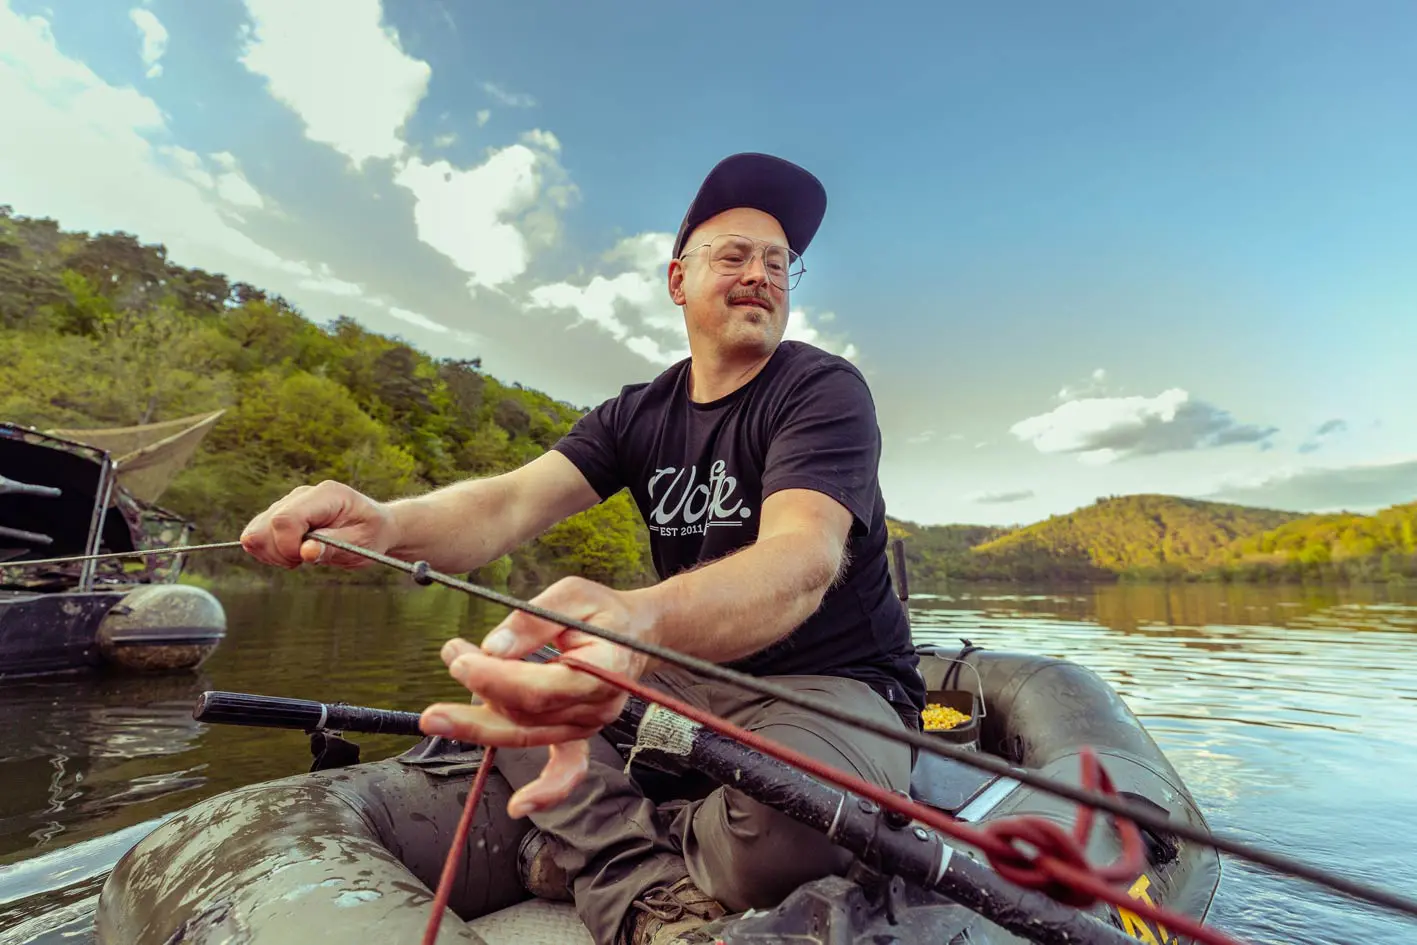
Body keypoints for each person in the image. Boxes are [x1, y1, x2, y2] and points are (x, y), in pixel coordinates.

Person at [239, 152, 926, 945]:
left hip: (831, 684)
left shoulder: (821, 389)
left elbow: (801, 559)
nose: (759, 275)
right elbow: (505, 502)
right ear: (677, 281)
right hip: (692, 683)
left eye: (777, 263)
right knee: (521, 672)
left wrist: (637, 618)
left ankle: (587, 846)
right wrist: (388, 522)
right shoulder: (635, 414)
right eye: (733, 255)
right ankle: (645, 894)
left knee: (793, 825)